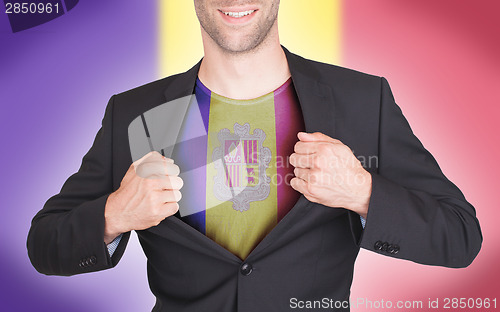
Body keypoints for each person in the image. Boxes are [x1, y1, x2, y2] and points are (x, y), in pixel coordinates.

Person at [27, 1, 482, 311]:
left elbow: (460, 236)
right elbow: (44, 245)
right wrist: (114, 214)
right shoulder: (135, 113)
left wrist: (363, 192)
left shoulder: (362, 100)